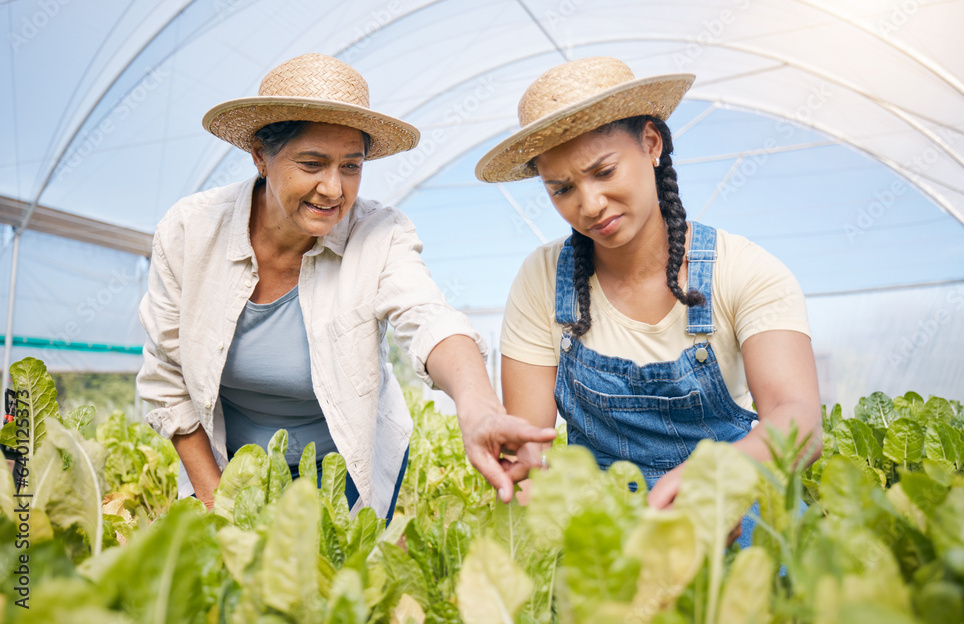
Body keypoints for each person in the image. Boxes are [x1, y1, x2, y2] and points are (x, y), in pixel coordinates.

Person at [137, 53, 554, 520]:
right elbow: (166, 377)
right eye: (312, 163)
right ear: (260, 156)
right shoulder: (190, 232)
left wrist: (478, 407)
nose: (333, 189)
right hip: (226, 466)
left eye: (351, 166)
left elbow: (428, 317)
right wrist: (218, 502)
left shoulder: (378, 233)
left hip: (343, 467)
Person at [476, 57, 822, 537]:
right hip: (601, 522)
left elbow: (797, 417)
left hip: (735, 504)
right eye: (562, 189)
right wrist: (531, 472)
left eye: (604, 171)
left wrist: (721, 478)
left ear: (652, 143)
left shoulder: (743, 269)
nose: (590, 204)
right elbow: (532, 438)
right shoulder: (540, 279)